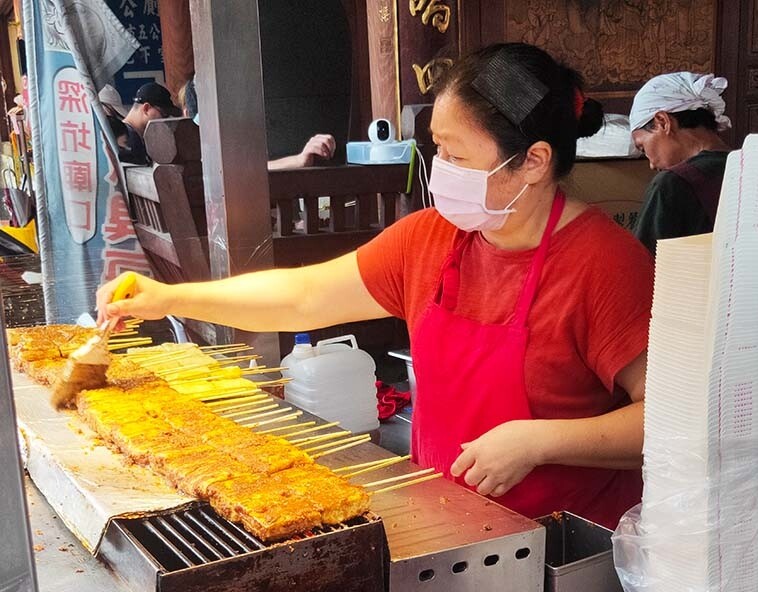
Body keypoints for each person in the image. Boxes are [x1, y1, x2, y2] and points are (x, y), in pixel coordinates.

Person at [97, 43, 654, 530]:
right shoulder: (430, 239)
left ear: (532, 161)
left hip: (564, 551)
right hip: (446, 523)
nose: (440, 170)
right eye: (437, 149)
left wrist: (539, 441)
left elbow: (665, 420)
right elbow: (303, 296)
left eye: (457, 156)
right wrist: (168, 297)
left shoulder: (604, 263)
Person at [629, 72, 732, 255]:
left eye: (643, 147)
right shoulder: (752, 167)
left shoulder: (671, 183)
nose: (651, 165)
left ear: (663, 122)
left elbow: (640, 265)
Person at [178, 76, 335, 169]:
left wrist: (300, 160)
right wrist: (299, 160)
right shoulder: (199, 155)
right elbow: (238, 176)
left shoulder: (172, 159)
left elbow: (246, 173)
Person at [119, 82, 181, 165]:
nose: (165, 120)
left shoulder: (141, 136)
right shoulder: (122, 137)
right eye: (163, 114)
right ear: (146, 108)